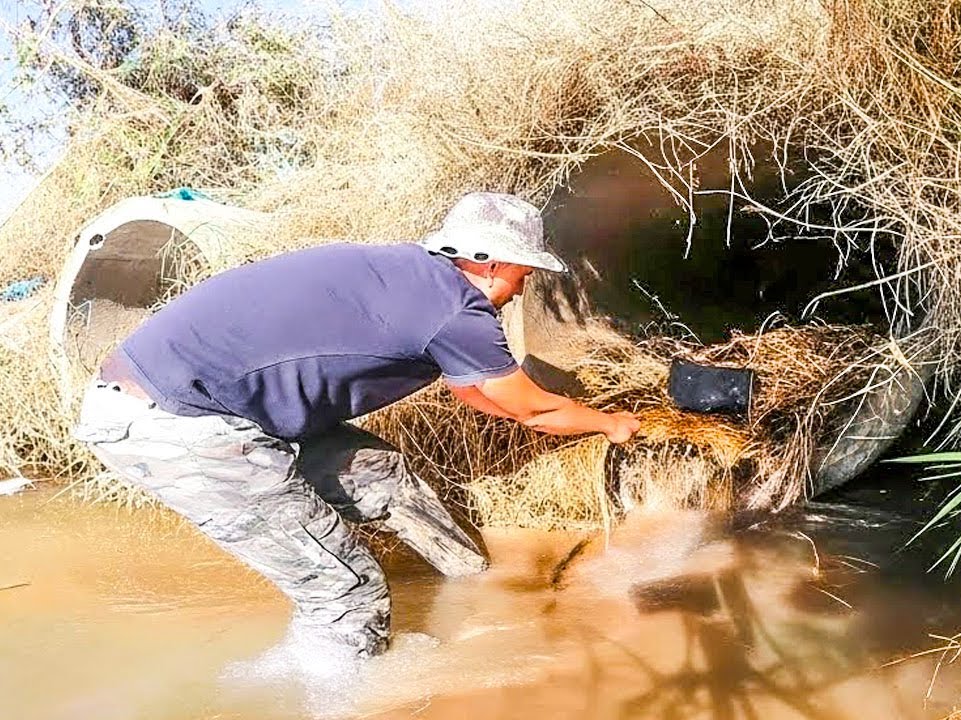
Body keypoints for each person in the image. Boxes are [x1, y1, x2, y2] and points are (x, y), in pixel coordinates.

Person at [72, 192, 641, 658]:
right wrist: (611, 424)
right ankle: (344, 699)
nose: (521, 288)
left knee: (383, 478)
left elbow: (476, 393)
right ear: (491, 262)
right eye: (523, 272)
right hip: (176, 422)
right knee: (345, 591)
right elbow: (531, 409)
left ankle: (478, 587)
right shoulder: (453, 308)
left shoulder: (412, 280)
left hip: (202, 400)